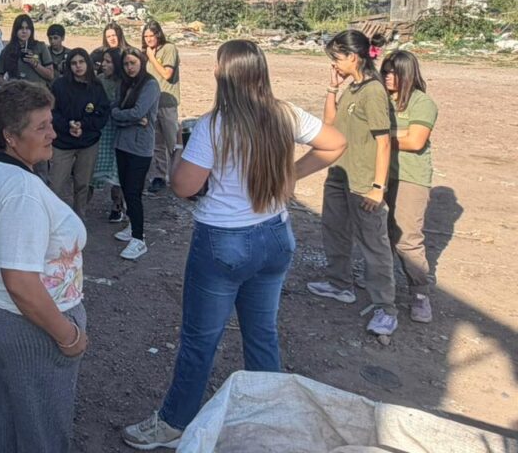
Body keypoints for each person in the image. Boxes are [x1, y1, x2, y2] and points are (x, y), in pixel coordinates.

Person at [121, 40, 346, 449]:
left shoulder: (214, 125)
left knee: (199, 340)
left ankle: (174, 422)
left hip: (223, 241)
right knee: (262, 334)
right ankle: (272, 423)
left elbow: (184, 185)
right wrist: (290, 175)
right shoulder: (285, 113)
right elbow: (335, 143)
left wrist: (178, 151)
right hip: (275, 235)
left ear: (224, 74)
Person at [0, 80, 88, 453]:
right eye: (41, 127)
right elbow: (20, 283)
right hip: (25, 327)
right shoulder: (21, 192)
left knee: (2, 409)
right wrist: (68, 336)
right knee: (43, 429)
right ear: (11, 137)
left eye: (50, 122)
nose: (52, 133)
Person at [307, 29, 397, 336]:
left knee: (374, 244)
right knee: (335, 230)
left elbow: (384, 143)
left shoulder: (373, 92)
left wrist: (378, 187)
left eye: (337, 58)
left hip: (362, 182)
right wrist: (333, 88)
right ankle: (339, 284)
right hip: (339, 175)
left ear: (354, 57)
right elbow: (329, 123)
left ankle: (386, 308)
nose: (334, 64)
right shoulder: (353, 88)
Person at [381, 50, 439, 323]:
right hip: (382, 175)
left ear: (408, 74)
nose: (387, 77)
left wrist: (380, 137)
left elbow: (415, 141)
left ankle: (419, 293)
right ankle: (382, 281)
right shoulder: (382, 100)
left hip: (410, 177)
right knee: (379, 232)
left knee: (407, 239)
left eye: (393, 72)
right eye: (385, 71)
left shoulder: (421, 103)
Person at [48, 48, 111, 218]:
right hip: (62, 143)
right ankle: (50, 219)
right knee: (55, 185)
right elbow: (52, 112)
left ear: (88, 64)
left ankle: (79, 219)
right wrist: (67, 125)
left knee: (83, 185)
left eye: (81, 62)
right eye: (74, 63)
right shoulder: (59, 85)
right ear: (69, 66)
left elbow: (102, 113)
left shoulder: (96, 86)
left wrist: (83, 125)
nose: (78, 66)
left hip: (88, 143)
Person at [111, 48, 160, 261]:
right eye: (126, 64)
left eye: (133, 63)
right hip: (123, 144)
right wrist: (128, 118)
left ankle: (139, 238)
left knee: (133, 192)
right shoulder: (125, 84)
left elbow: (138, 112)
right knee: (126, 187)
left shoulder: (150, 85)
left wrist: (123, 116)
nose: (129, 67)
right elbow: (114, 110)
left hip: (140, 147)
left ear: (141, 62)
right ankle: (132, 226)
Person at [142, 20, 181, 194]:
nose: (149, 39)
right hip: (152, 104)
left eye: (151, 35)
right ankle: (160, 176)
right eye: (146, 36)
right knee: (157, 143)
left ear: (158, 34)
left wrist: (151, 58)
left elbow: (166, 74)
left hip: (167, 103)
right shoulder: (149, 51)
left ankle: (180, 176)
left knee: (173, 142)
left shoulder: (168, 49)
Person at [92, 47, 125, 223]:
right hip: (102, 129)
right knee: (94, 168)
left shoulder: (124, 83)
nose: (104, 64)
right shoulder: (98, 81)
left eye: (108, 61)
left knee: (117, 169)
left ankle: (117, 205)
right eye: (103, 61)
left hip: (118, 129)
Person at [0, 14, 54, 87]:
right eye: (21, 28)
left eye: (27, 28)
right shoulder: (8, 50)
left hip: (37, 91)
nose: (24, 31)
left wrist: (35, 64)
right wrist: (10, 87)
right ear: (15, 30)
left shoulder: (40, 47)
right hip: (17, 92)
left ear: (31, 30)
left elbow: (50, 75)